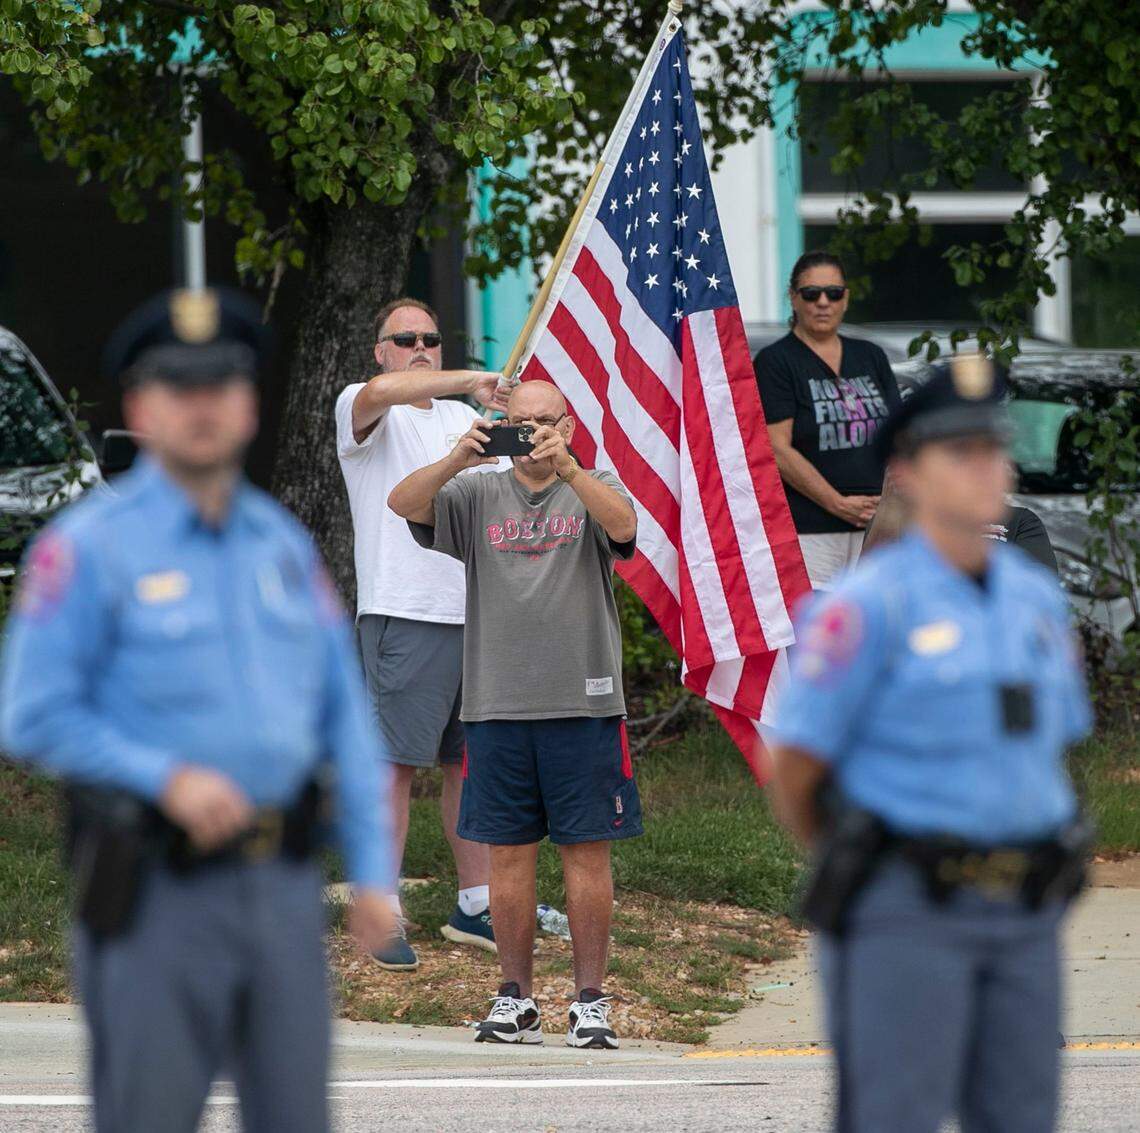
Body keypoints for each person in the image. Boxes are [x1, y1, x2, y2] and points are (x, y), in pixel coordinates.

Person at [0, 288, 396, 1133]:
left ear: (249, 404)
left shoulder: (282, 547)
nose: (204, 404)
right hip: (152, 892)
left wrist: (371, 867)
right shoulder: (86, 549)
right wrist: (164, 776)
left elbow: (344, 719)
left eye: (222, 383)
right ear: (142, 406)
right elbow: (31, 713)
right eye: (180, 386)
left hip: (284, 888)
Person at [770, 355, 1092, 1133]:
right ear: (909, 469)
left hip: (1023, 907)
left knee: (1021, 1115)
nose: (988, 467)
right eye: (963, 450)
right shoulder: (866, 606)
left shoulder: (1034, 600)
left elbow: (1050, 747)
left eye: (995, 447)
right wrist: (875, 862)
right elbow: (793, 765)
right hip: (906, 906)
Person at [388, 379, 642, 1050]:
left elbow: (624, 527)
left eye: (544, 423)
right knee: (507, 855)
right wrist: (457, 459)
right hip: (497, 704)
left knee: (587, 853)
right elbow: (402, 503)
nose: (530, 435)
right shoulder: (476, 493)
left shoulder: (593, 484)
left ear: (569, 424)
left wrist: (569, 468)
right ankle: (515, 997)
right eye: (518, 423)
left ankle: (589, 999)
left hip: (583, 701)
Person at [335, 297, 509, 970]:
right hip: (402, 612)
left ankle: (477, 900)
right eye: (404, 338)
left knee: (470, 766)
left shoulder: (467, 421)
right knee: (393, 769)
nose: (419, 347)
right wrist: (470, 377)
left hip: (473, 613)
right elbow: (383, 392)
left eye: (431, 338)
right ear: (380, 349)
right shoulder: (365, 406)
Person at [754, 251, 901, 588]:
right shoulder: (776, 362)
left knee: (877, 631)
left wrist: (889, 509)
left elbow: (900, 437)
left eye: (833, 293)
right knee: (822, 634)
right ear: (793, 298)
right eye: (811, 293)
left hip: (879, 529)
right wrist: (838, 504)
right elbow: (777, 448)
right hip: (811, 534)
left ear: (845, 298)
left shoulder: (871, 356)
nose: (823, 302)